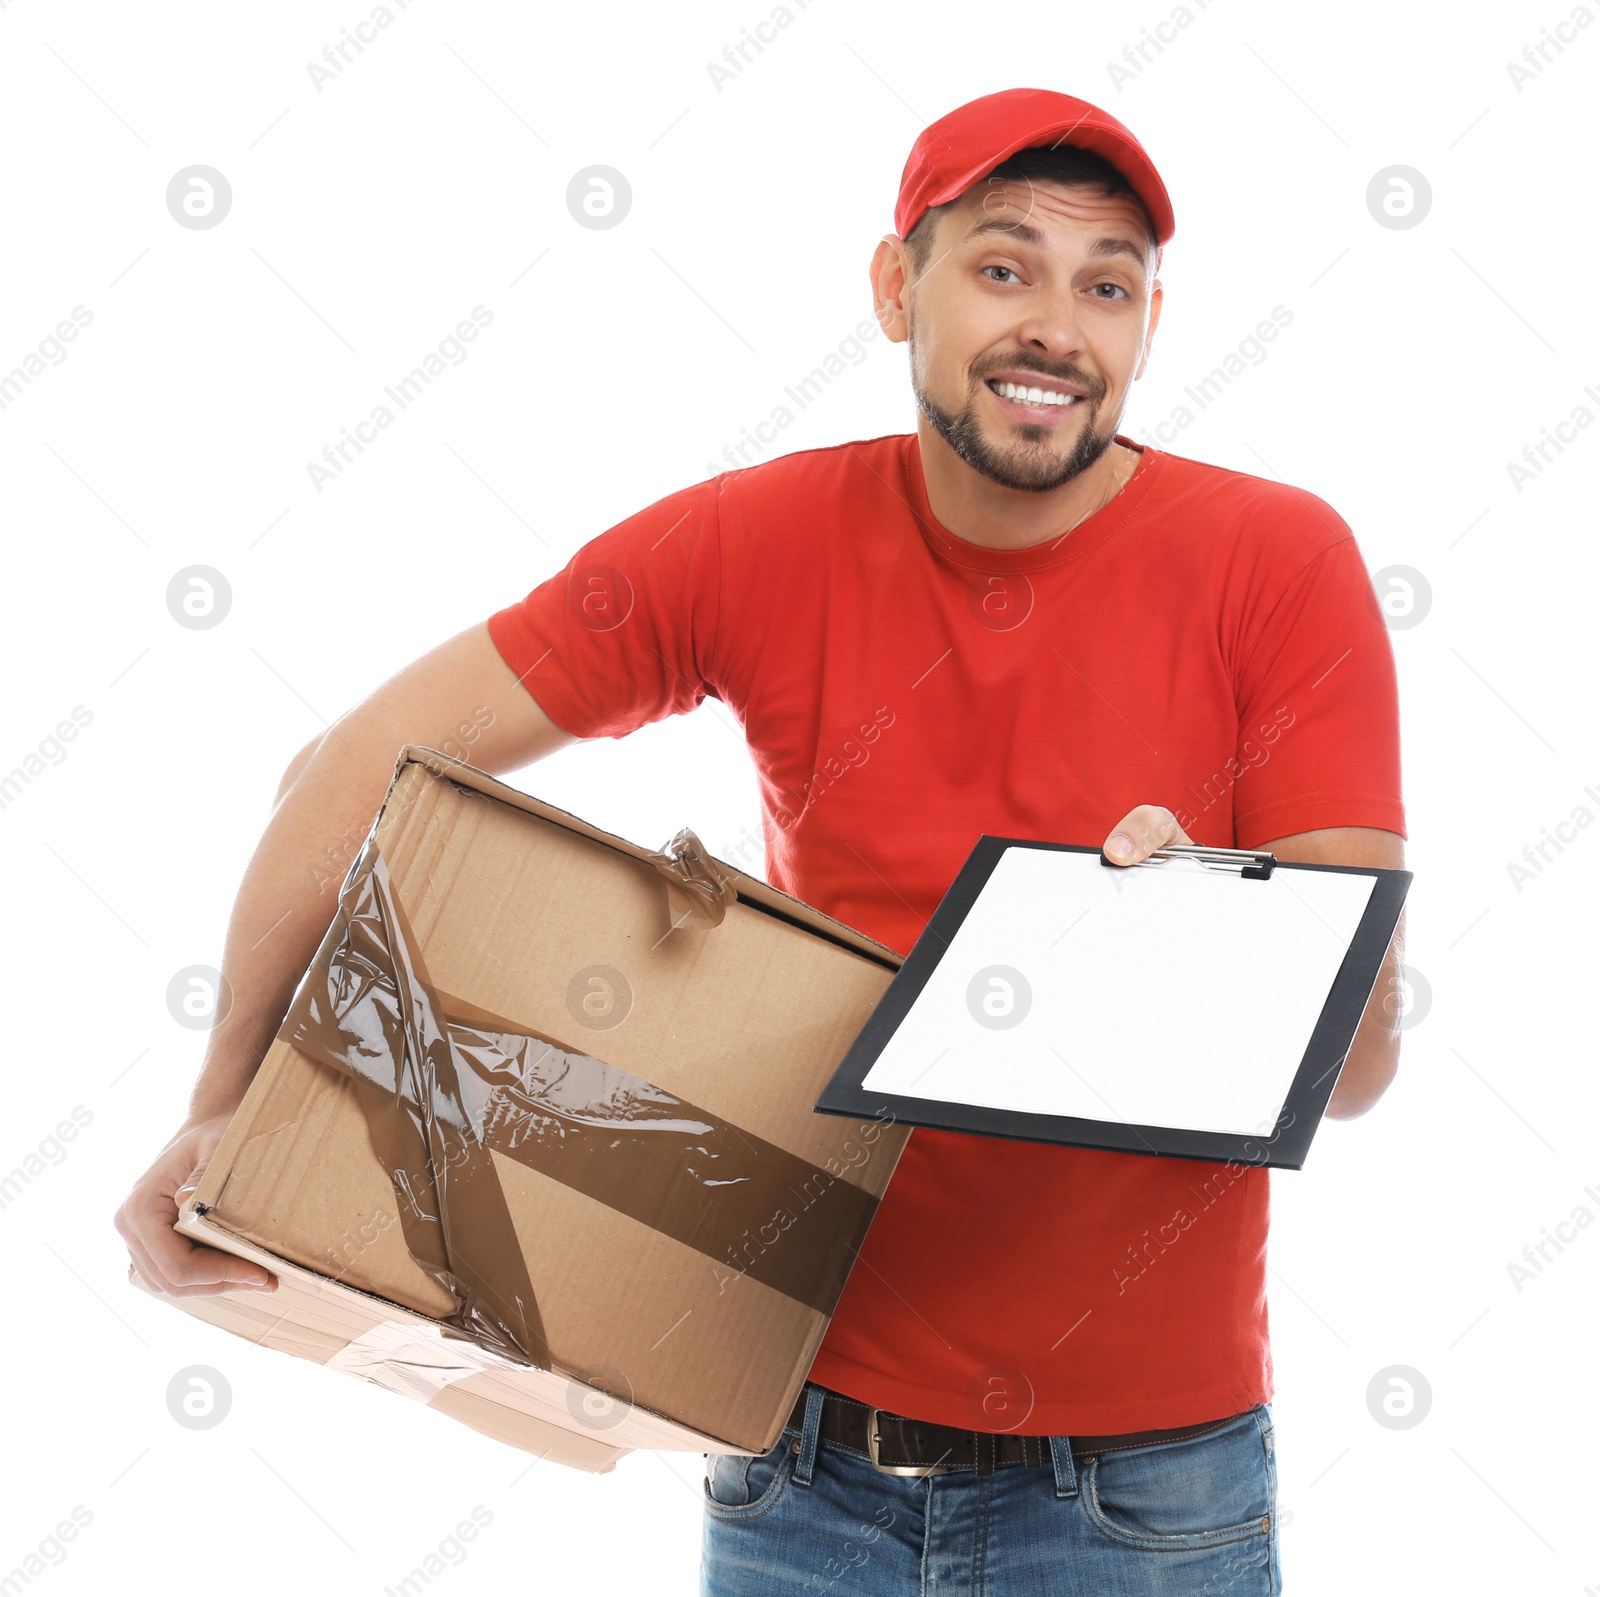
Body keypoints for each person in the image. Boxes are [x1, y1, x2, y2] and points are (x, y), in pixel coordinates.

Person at [116, 87, 1406, 1595]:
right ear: (892, 287)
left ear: (1146, 323)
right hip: (799, 1475)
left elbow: (1362, 1061)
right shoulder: (759, 541)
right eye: (1003, 266)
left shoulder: (1276, 563)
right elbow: (347, 769)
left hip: (1142, 1496)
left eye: (1106, 283)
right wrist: (228, 1107)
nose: (1058, 325)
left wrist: (1197, 937)